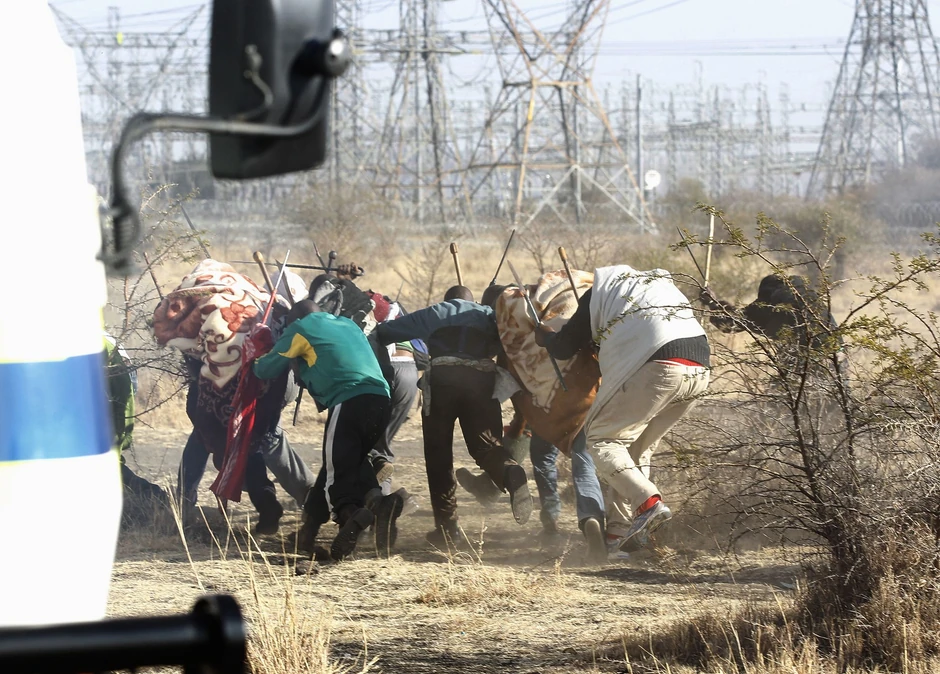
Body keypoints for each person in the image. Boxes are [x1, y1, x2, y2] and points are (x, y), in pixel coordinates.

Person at [535, 265, 710, 556]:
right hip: (699, 370)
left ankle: (648, 504)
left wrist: (546, 338)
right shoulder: (659, 289)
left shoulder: (597, 295)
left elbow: (564, 348)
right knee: (633, 451)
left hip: (657, 365)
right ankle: (621, 533)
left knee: (602, 442)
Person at [372, 285, 533, 547]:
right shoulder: (490, 314)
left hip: (442, 384)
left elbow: (386, 332)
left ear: (448, 299)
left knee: (439, 457)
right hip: (482, 382)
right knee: (487, 448)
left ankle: (448, 530)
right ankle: (510, 473)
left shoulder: (436, 312)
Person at [253, 300, 402, 560]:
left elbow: (265, 367)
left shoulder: (300, 328)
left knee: (337, 478)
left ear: (293, 320)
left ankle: (349, 514)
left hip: (349, 398)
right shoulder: (348, 324)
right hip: (381, 400)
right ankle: (377, 504)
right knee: (346, 463)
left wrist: (251, 354)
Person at [103, 334, 169, 511]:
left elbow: (123, 395)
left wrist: (122, 433)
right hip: (108, 417)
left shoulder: (100, 347)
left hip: (107, 417)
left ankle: (154, 496)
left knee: (108, 465)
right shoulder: (106, 344)